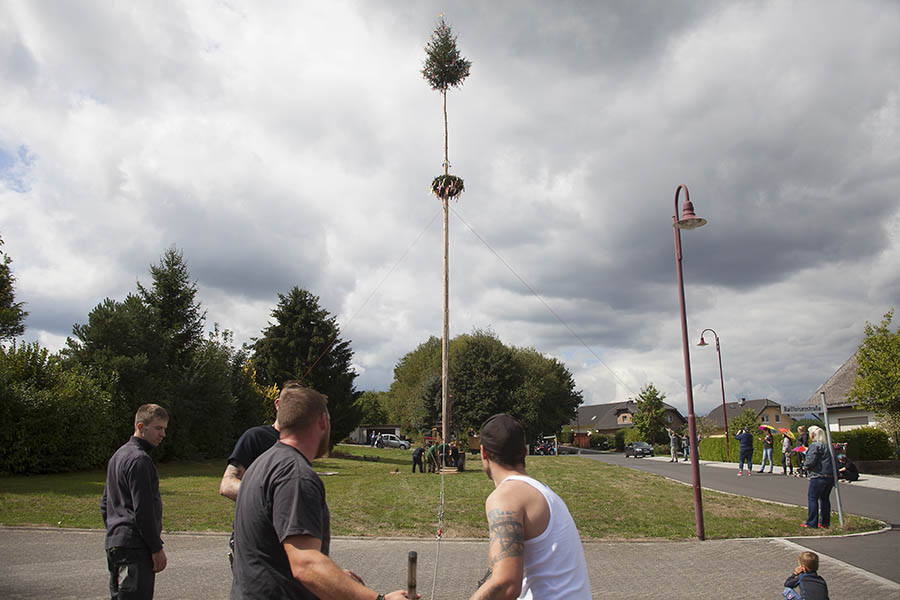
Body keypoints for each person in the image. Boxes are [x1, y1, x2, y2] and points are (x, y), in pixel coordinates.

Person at [230, 384, 412, 600]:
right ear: (323, 421)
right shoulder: (295, 475)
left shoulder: (262, 463)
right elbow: (306, 566)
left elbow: (271, 554)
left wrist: (335, 579)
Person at [470, 414, 590, 599]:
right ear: (525, 452)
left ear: (483, 452)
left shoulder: (506, 497)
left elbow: (506, 584)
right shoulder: (545, 493)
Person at [101, 404, 169, 600]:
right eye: (158, 428)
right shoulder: (139, 460)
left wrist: (116, 530)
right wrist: (156, 548)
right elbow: (144, 510)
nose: (162, 434)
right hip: (135, 549)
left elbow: (105, 504)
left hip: (116, 545)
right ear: (141, 426)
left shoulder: (118, 456)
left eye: (164, 429)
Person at [802, 426, 835, 529]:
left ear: (812, 435)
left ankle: (812, 522)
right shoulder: (828, 446)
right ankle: (825, 522)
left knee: (813, 498)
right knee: (825, 499)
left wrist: (805, 466)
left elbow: (811, 460)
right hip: (829, 476)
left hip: (818, 475)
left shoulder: (815, 446)